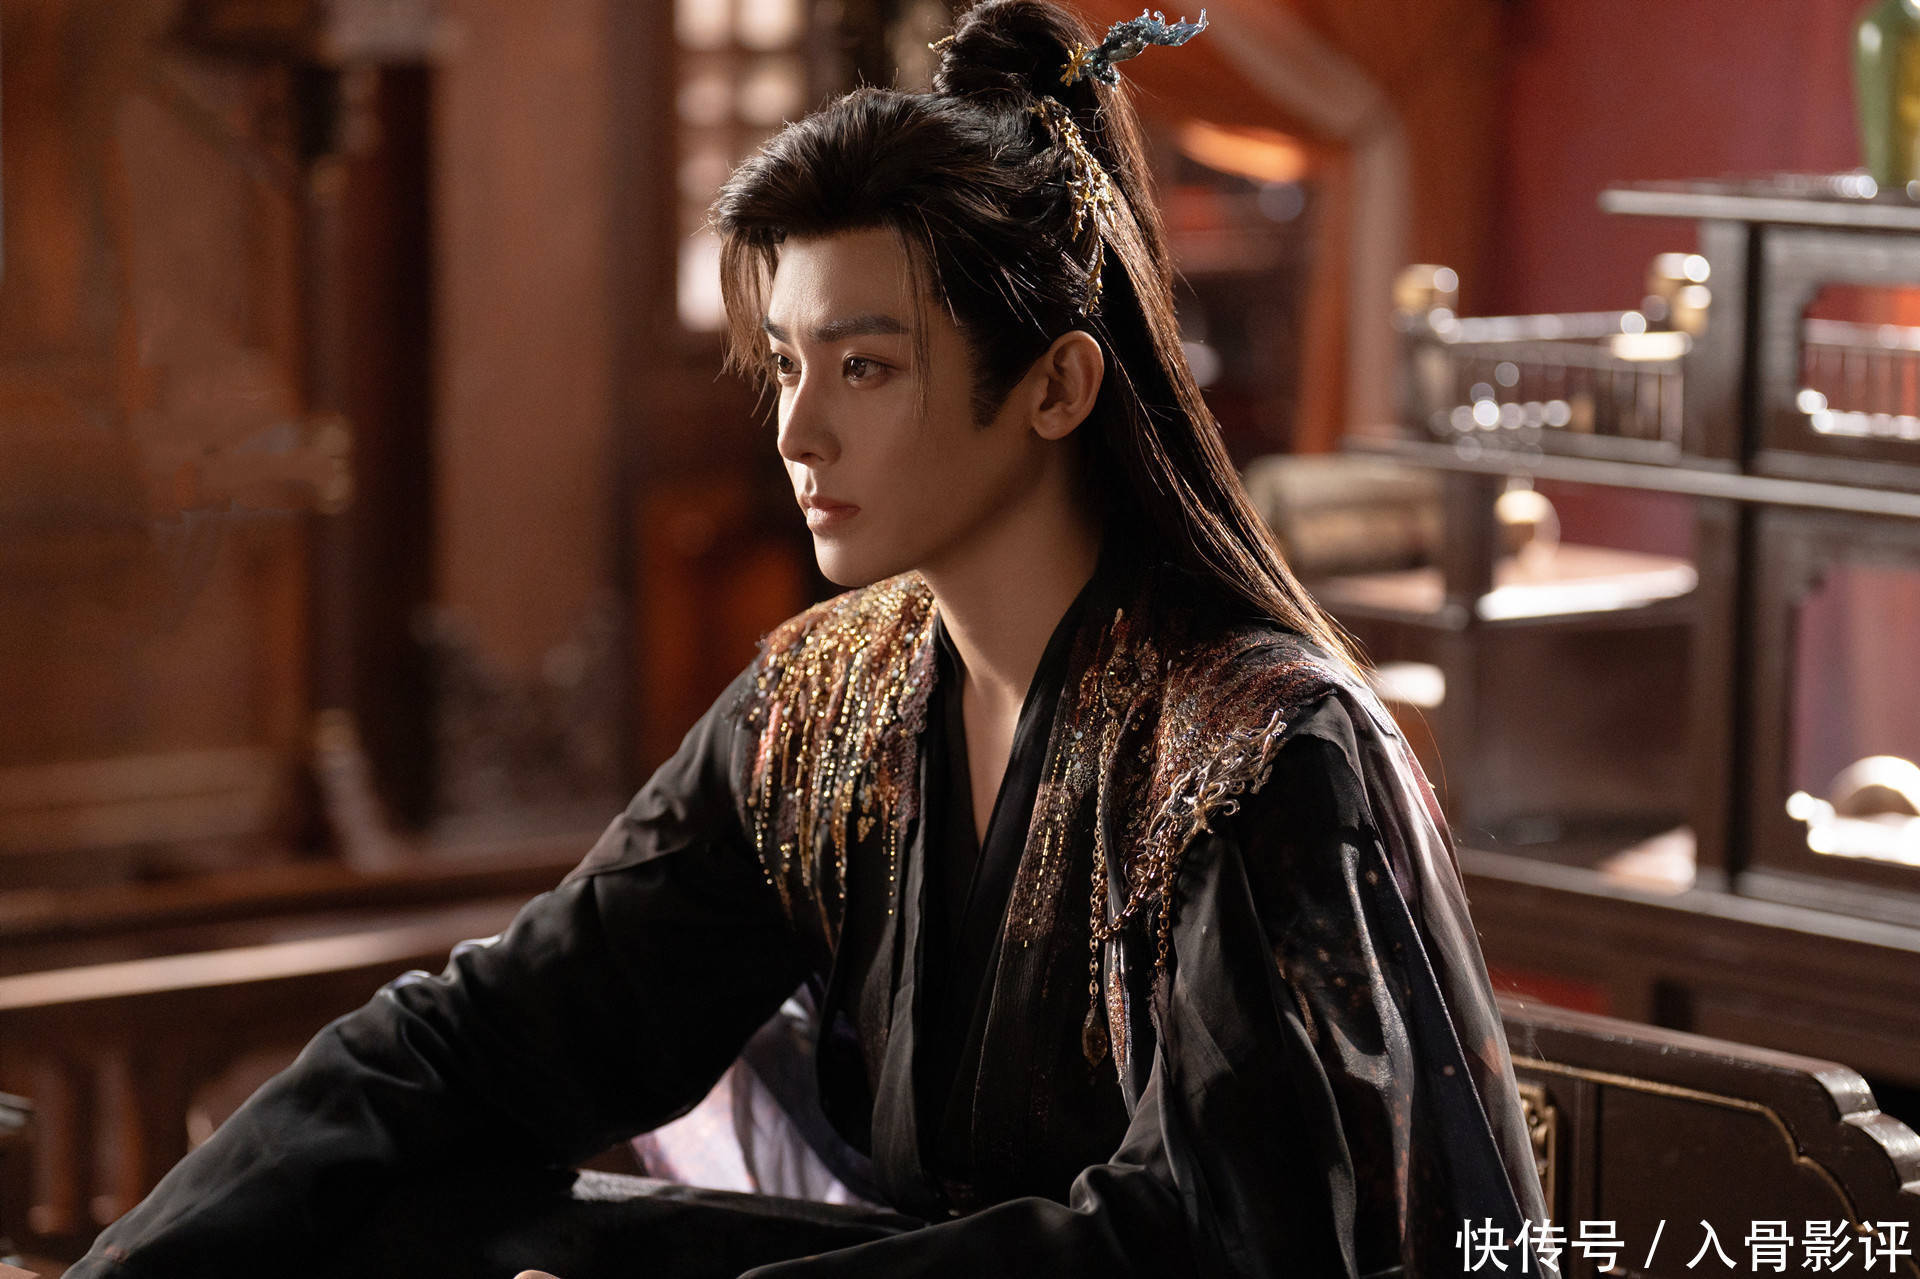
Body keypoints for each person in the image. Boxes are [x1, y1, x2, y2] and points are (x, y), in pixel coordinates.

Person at [68, 3, 1551, 1276]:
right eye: (785, 361)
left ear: (1056, 387)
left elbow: (1217, 1246)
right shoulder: (828, 706)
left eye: (868, 368)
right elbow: (502, 1038)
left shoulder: (1255, 757)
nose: (796, 429)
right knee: (422, 1202)